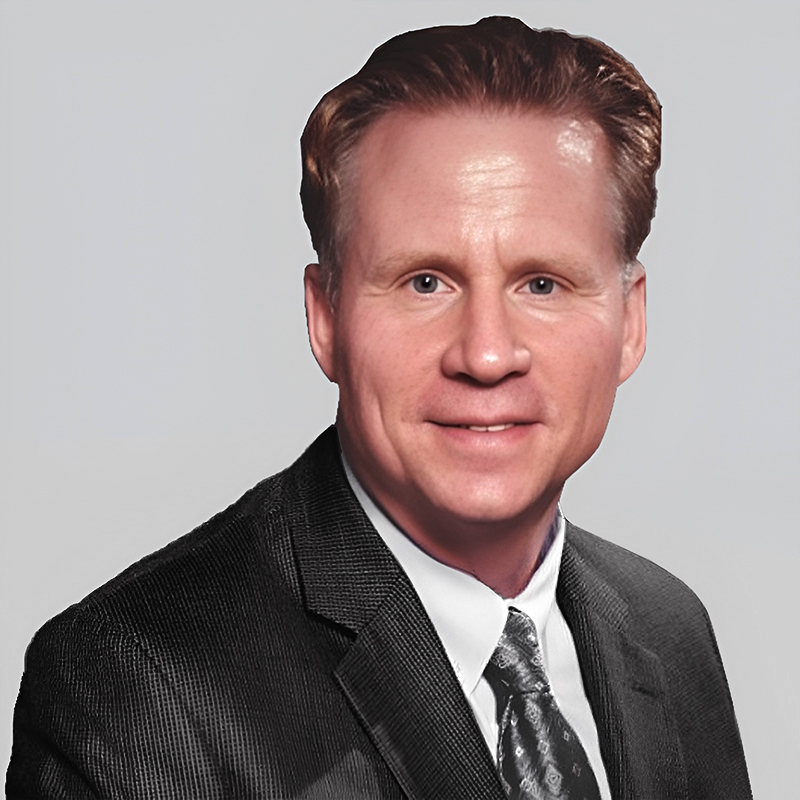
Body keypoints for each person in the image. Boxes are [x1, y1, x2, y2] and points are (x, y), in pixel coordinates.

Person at [6, 16, 751, 799]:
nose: (486, 354)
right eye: (425, 282)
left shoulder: (669, 630)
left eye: (543, 284)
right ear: (325, 317)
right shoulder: (136, 689)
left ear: (630, 322)